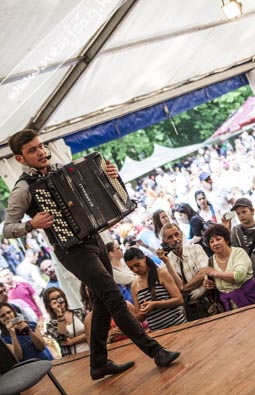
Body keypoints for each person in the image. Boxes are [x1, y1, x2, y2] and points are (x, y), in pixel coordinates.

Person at [2, 129, 179, 379]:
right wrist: (31, 224)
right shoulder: (23, 189)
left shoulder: (61, 169)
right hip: (71, 250)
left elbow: (92, 190)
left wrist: (110, 177)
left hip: (94, 239)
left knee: (101, 303)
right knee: (113, 296)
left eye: (41, 146)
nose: (41, 152)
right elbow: (7, 228)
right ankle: (155, 351)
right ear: (20, 159)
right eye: (33, 150)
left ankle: (98, 362)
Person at [203, 224, 255, 311]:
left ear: (227, 240)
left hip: (250, 298)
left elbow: (238, 276)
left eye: (218, 239)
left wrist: (215, 273)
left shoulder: (239, 253)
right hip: (228, 305)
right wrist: (209, 284)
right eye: (211, 241)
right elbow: (213, 281)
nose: (215, 243)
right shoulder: (210, 261)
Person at [124, 247, 187, 331]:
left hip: (178, 325)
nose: (135, 270)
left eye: (137, 265)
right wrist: (142, 312)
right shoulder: (134, 286)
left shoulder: (161, 274)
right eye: (131, 268)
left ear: (144, 259)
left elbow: (179, 300)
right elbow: (140, 318)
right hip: (157, 331)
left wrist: (155, 304)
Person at [159, 223, 212, 322]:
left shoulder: (195, 249)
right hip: (188, 311)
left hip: (208, 302)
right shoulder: (165, 264)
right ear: (164, 241)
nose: (175, 239)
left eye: (177, 234)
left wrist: (184, 288)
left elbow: (204, 273)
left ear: (181, 234)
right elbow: (175, 289)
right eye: (170, 237)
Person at [229, 198, 255, 299]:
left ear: (252, 211)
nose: (241, 216)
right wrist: (226, 228)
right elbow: (232, 253)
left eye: (244, 212)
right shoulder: (236, 232)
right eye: (238, 213)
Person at [43, 287, 89, 357]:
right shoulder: (50, 325)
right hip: (72, 358)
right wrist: (59, 314)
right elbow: (63, 338)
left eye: (59, 297)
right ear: (49, 304)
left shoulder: (79, 312)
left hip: (91, 350)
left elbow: (91, 332)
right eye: (53, 300)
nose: (58, 300)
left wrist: (71, 341)